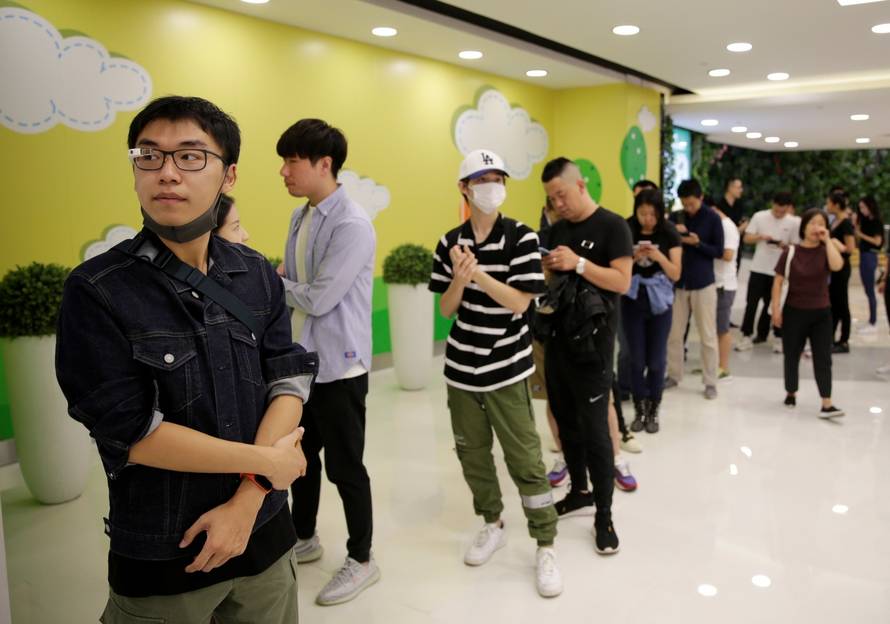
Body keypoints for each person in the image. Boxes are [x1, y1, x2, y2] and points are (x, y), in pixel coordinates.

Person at [55, 96, 317, 623]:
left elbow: (287, 379)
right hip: (166, 555)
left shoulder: (255, 272)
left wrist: (249, 499)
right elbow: (129, 429)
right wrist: (267, 464)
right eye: (148, 156)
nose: (167, 172)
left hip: (265, 536)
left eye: (191, 156)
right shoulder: (97, 290)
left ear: (229, 175)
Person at [429, 149, 563, 598]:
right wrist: (459, 280)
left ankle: (545, 542)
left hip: (507, 368)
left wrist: (479, 275)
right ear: (464, 188)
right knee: (473, 455)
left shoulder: (522, 238)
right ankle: (492, 522)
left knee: (525, 458)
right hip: (462, 371)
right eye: (481, 179)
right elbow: (447, 309)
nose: (491, 185)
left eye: (497, 177)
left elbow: (521, 303)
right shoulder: (449, 242)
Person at [276, 118, 380, 605]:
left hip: (340, 368)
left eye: (292, 161)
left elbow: (317, 298)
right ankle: (304, 536)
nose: (283, 171)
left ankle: (362, 558)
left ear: (324, 164)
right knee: (301, 461)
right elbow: (302, 285)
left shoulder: (351, 224)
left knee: (346, 467)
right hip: (303, 363)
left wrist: (272, 284)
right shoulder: (303, 215)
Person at [540, 157, 633, 555]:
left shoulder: (613, 226)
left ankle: (604, 514)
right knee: (566, 423)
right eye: (550, 198)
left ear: (579, 185)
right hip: (558, 342)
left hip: (594, 347)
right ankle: (579, 491)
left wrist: (578, 262)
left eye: (561, 194)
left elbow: (622, 281)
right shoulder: (557, 229)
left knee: (596, 433)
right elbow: (553, 282)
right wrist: (549, 269)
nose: (557, 203)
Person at [772, 208, 846, 418]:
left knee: (823, 358)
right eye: (812, 223)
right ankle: (791, 391)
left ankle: (826, 403)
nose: (816, 227)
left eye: (820, 223)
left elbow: (837, 265)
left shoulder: (825, 250)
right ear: (804, 226)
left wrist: (828, 239)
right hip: (794, 311)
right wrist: (776, 309)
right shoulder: (791, 252)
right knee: (791, 355)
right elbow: (777, 282)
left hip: (821, 312)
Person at [622, 189, 682, 434]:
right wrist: (634, 257)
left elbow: (676, 273)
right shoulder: (626, 228)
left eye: (652, 214)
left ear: (660, 213)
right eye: (642, 213)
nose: (646, 218)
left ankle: (653, 409)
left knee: (656, 362)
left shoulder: (669, 232)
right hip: (632, 299)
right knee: (636, 360)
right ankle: (639, 409)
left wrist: (658, 256)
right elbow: (617, 266)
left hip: (660, 302)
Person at [665, 179, 724, 399]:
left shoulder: (712, 218)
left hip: (703, 283)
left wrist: (697, 243)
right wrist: (675, 233)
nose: (688, 207)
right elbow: (666, 243)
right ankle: (673, 374)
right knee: (674, 334)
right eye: (684, 203)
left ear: (700, 198)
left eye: (691, 203)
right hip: (678, 283)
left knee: (708, 335)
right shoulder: (675, 218)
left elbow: (719, 251)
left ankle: (710, 382)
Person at [736, 192, 800, 352]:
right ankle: (746, 335)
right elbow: (746, 238)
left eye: (783, 212)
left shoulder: (794, 222)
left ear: (789, 208)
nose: (779, 214)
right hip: (759, 267)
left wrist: (784, 245)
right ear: (773, 204)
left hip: (779, 270)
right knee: (751, 302)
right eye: (777, 210)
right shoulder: (760, 216)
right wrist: (761, 237)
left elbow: (797, 244)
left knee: (776, 304)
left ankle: (779, 336)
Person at [826, 191, 855, 353]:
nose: (827, 206)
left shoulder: (846, 223)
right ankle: (830, 337)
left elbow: (850, 249)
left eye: (829, 203)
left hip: (842, 268)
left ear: (836, 205)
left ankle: (844, 340)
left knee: (842, 303)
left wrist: (835, 243)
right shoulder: (835, 221)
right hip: (833, 267)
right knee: (834, 303)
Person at [714, 202, 740, 376]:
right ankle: (712, 364)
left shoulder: (727, 227)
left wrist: (702, 247)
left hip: (724, 285)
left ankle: (723, 368)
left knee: (722, 329)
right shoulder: (719, 224)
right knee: (712, 330)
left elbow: (728, 255)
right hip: (714, 283)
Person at [854, 196, 885, 334]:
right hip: (863, 254)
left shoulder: (876, 222)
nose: (862, 210)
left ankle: (873, 322)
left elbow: (877, 242)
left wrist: (860, 234)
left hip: (870, 255)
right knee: (867, 290)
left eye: (863, 207)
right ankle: (870, 320)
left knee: (870, 291)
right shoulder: (864, 220)